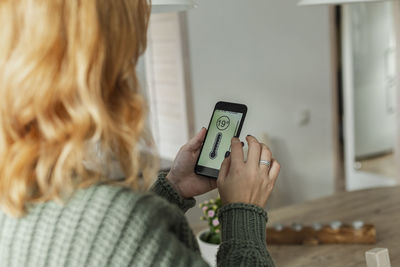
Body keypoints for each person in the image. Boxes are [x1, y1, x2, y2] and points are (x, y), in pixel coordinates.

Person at [0, 0, 280, 266]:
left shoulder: (17, 187)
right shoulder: (116, 221)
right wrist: (244, 210)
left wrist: (173, 188)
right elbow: (109, 235)